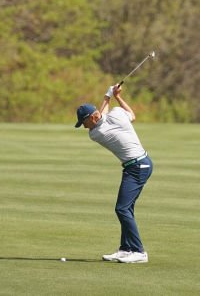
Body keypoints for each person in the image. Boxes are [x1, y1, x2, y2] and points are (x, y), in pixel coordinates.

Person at [75, 83, 153, 264]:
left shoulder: (97, 132)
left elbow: (101, 116)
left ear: (92, 118)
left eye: (84, 122)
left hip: (138, 167)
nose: (85, 127)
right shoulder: (114, 116)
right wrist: (114, 97)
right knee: (127, 208)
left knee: (122, 209)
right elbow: (131, 116)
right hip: (136, 166)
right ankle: (126, 249)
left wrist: (107, 96)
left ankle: (139, 252)